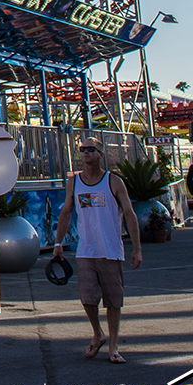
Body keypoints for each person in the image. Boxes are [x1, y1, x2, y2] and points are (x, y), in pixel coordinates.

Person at [53, 136, 143, 364]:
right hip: (86, 250)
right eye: (82, 149)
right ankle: (97, 333)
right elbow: (66, 211)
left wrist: (137, 249)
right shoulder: (74, 182)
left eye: (91, 149)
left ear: (101, 154)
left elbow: (130, 215)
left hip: (110, 249)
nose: (85, 153)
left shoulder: (113, 181)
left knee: (113, 301)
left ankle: (113, 346)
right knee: (88, 298)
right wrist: (58, 243)